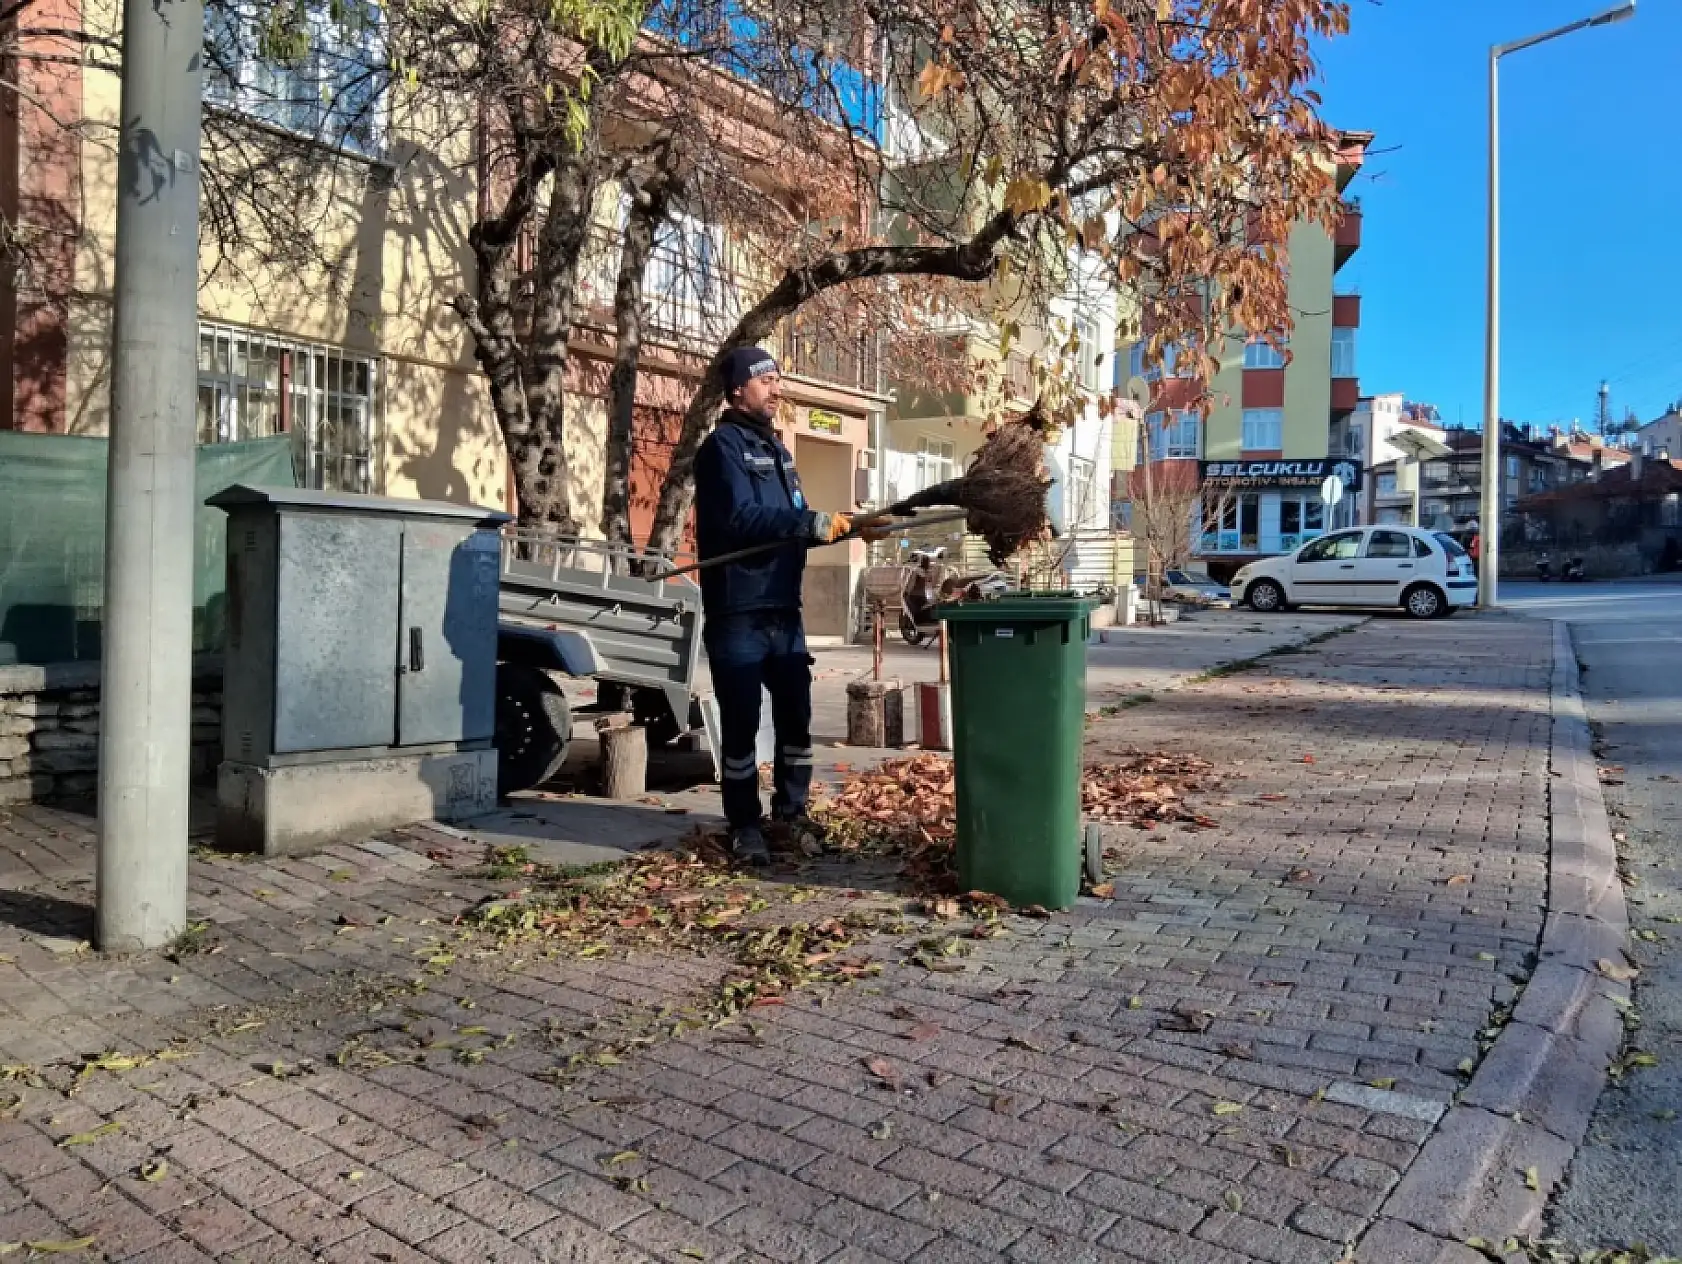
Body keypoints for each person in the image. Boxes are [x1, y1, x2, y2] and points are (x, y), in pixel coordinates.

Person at [693, 347, 882, 865]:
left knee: (796, 715)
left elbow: (795, 523)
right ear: (738, 389)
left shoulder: (777, 451)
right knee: (741, 722)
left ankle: (791, 813)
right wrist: (808, 523)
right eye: (768, 380)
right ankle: (743, 824)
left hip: (782, 609)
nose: (778, 389)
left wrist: (848, 524)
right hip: (739, 611)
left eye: (779, 380)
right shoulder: (721, 450)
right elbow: (740, 520)